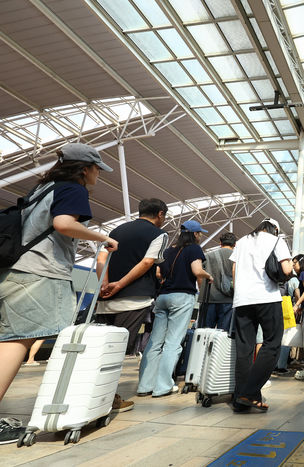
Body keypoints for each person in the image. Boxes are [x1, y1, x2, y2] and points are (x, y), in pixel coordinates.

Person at [0, 143, 118, 444]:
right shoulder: (72, 189)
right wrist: (102, 236)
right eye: (96, 170)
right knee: (17, 342)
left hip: (13, 271)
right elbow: (63, 224)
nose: (97, 176)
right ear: (84, 169)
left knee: (7, 340)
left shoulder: (41, 189)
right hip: (39, 274)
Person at [96, 198, 169, 412]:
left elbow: (102, 258)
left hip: (105, 301)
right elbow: (147, 262)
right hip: (134, 300)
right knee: (117, 351)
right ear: (160, 214)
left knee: (101, 348)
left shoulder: (115, 230)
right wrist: (119, 285)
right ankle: (107, 399)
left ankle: (98, 395)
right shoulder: (159, 234)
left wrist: (105, 284)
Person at [137, 220, 212, 398]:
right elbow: (196, 270)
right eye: (199, 233)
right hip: (182, 297)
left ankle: (144, 385)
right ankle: (162, 386)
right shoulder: (194, 249)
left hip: (163, 297)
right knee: (173, 342)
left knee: (155, 342)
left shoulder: (168, 250)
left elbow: (159, 273)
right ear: (194, 234)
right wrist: (208, 275)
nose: (200, 236)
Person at [229, 219, 292, 412]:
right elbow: (287, 269)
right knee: (272, 344)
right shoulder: (276, 241)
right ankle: (248, 392)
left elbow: (234, 270)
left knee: (244, 348)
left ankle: (241, 400)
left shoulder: (241, 242)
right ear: (274, 229)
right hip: (267, 297)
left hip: (242, 300)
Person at [201, 232, 237, 331]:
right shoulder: (238, 257)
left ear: (220, 243)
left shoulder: (208, 256)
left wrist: (201, 289)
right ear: (235, 244)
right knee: (223, 335)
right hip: (229, 300)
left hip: (209, 298)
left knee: (204, 333)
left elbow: (199, 274)